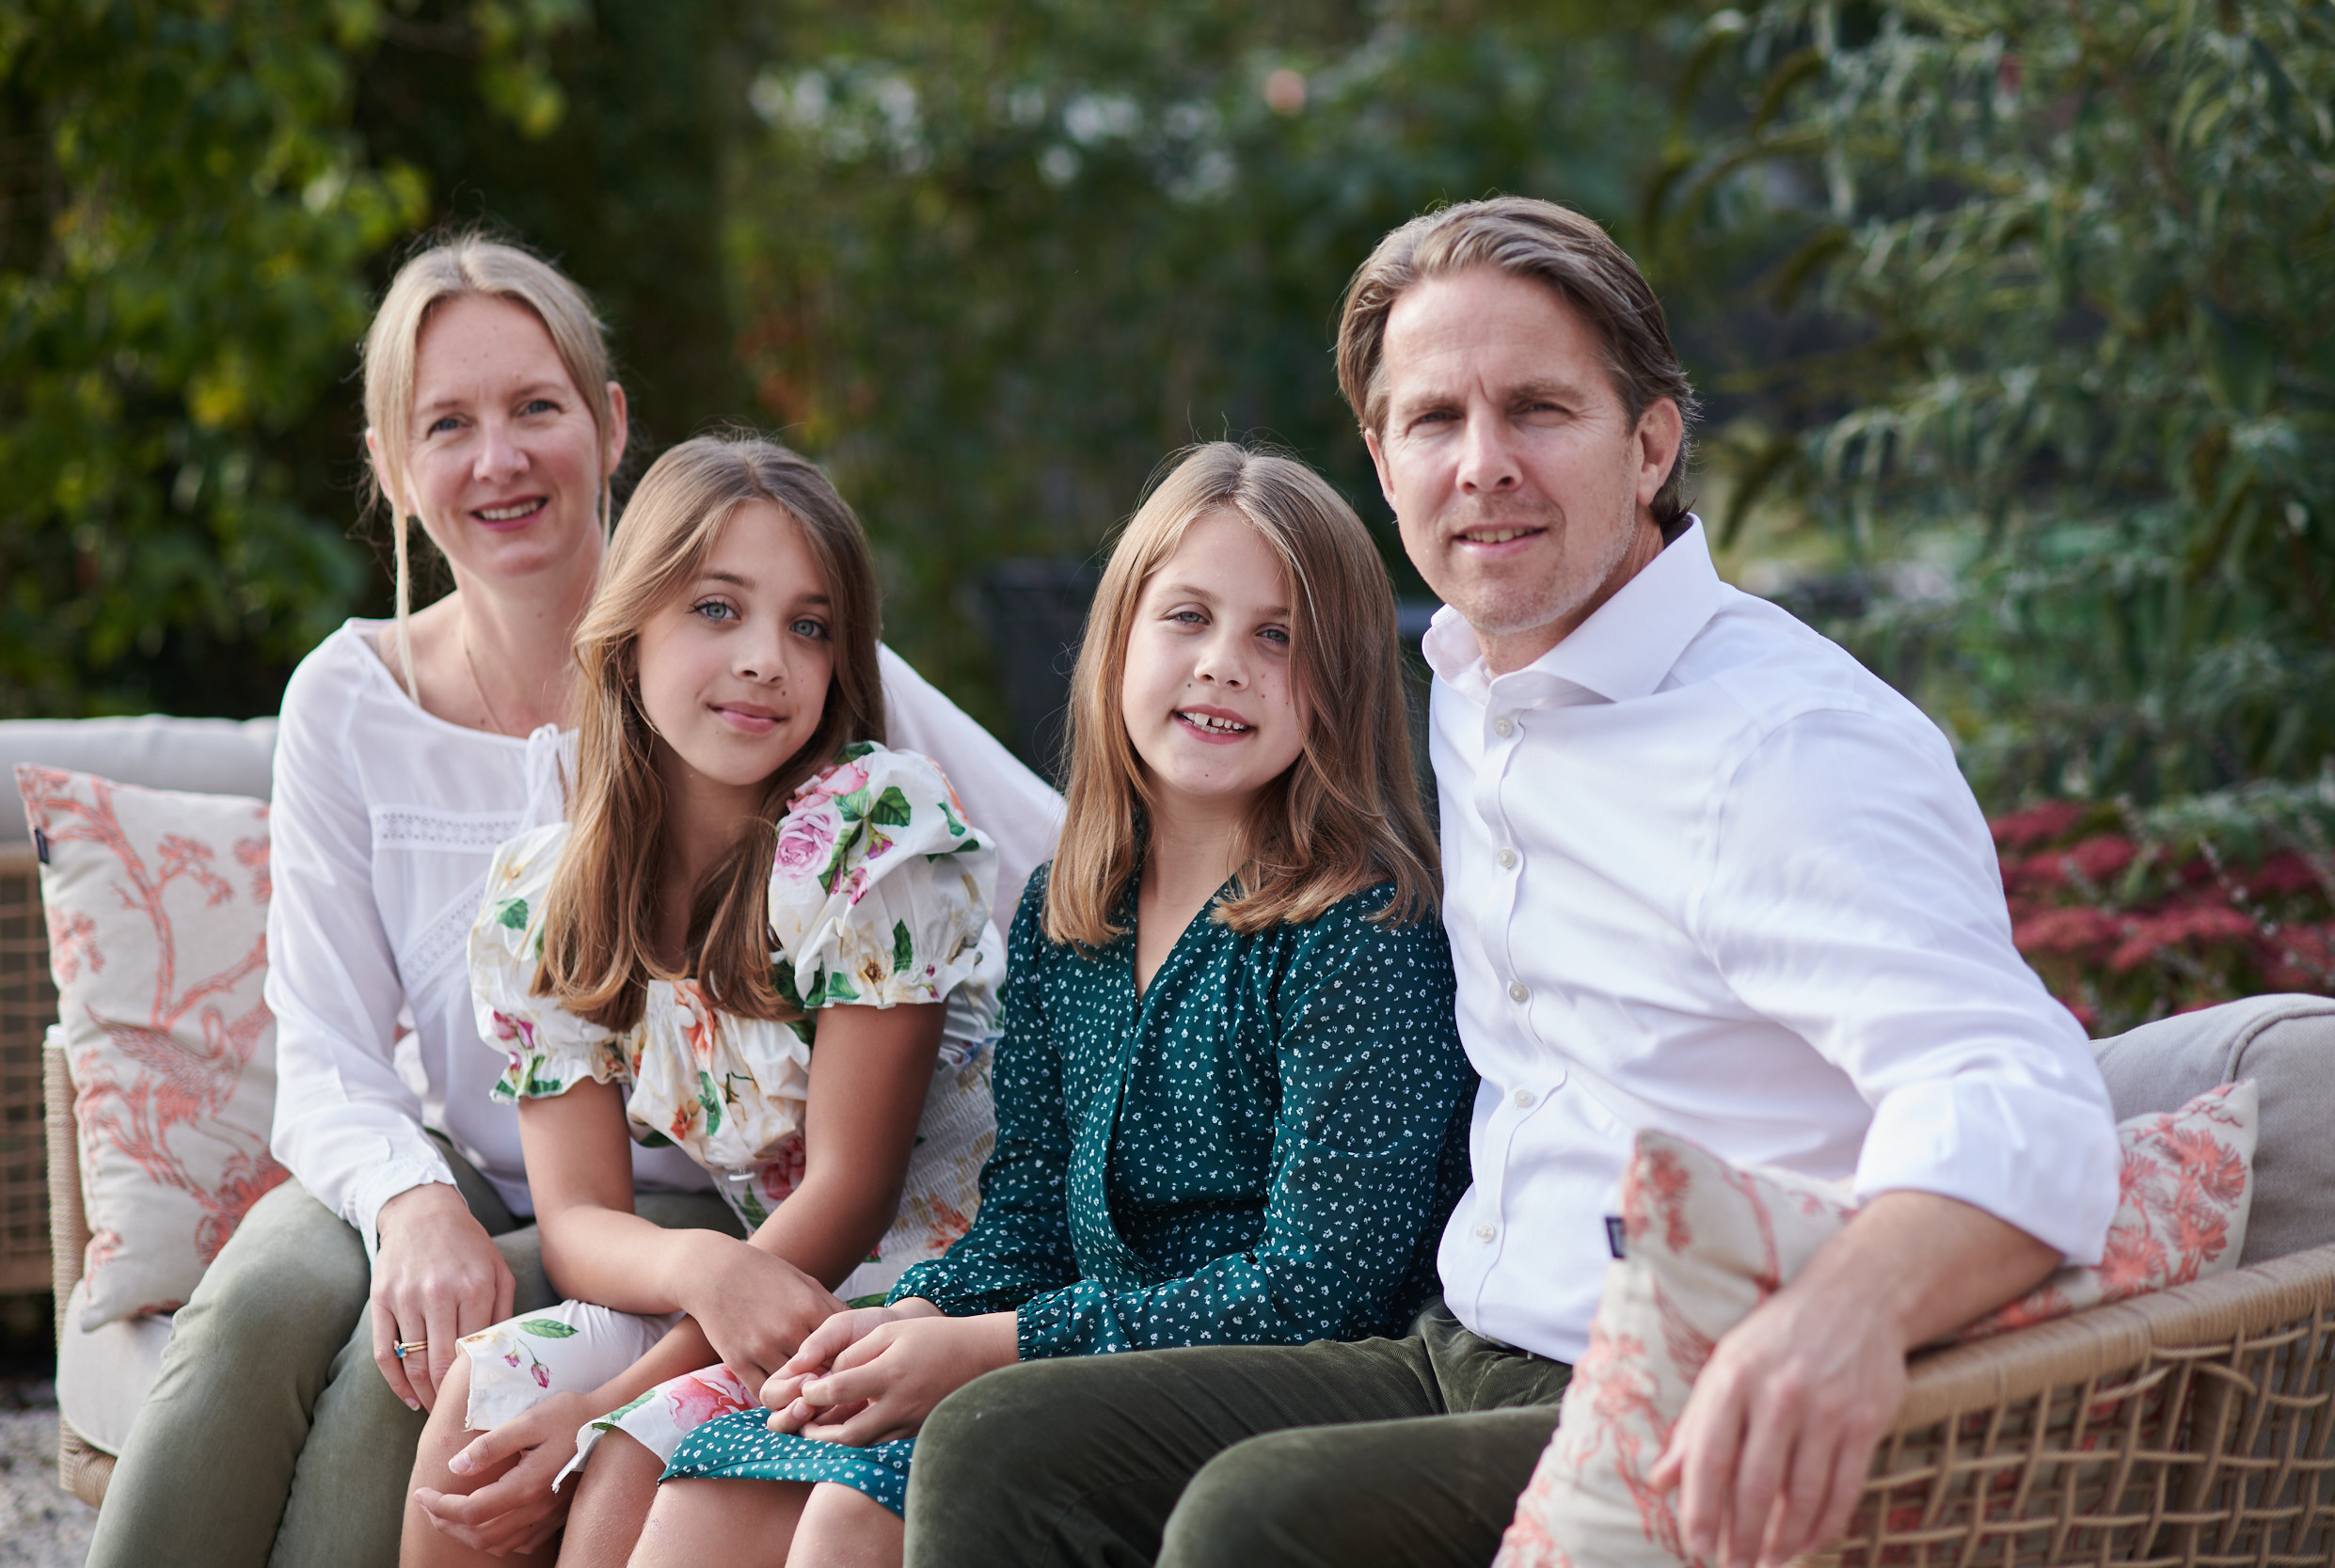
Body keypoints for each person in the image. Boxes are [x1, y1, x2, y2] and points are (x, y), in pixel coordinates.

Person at [901, 198, 2122, 1568]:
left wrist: (1842, 1316)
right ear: (1380, 456)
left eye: (1537, 408)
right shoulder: (1476, 688)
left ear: (1651, 440)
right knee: (997, 1442)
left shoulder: (1785, 745)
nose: (1482, 467)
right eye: (1433, 420)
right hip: (1454, 1337)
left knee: (1260, 1520)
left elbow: (2026, 1094)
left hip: (1660, 1369)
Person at [84, 235, 1061, 1568]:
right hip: (475, 1171)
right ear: (388, 464)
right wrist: (413, 1203)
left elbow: (1053, 845)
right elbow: (323, 1042)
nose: (499, 458)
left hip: (728, 1214)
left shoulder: (777, 672)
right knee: (264, 1305)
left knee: (434, 1383)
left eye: (535, 406)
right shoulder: (385, 729)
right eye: (447, 424)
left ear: (607, 426)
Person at [612, 442, 1476, 1568]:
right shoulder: (1077, 920)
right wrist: (915, 1316)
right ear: (1118, 639)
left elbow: (1322, 1283)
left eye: (1278, 636)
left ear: (1344, 681)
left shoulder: (1361, 932)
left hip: (1274, 1380)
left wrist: (994, 1344)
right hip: (1067, 1347)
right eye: (1187, 617)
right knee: (709, 1488)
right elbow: (1026, 1215)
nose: (1223, 664)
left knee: (853, 1515)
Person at [398, 433, 1007, 1568]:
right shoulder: (549, 899)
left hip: (938, 1288)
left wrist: (617, 1394)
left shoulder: (862, 839)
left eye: (807, 624)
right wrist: (700, 1267)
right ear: (628, 633)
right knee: (484, 1393)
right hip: (753, 1286)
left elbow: (853, 1192)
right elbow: (577, 1220)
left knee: (629, 1447)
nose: (766, 658)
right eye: (716, 609)